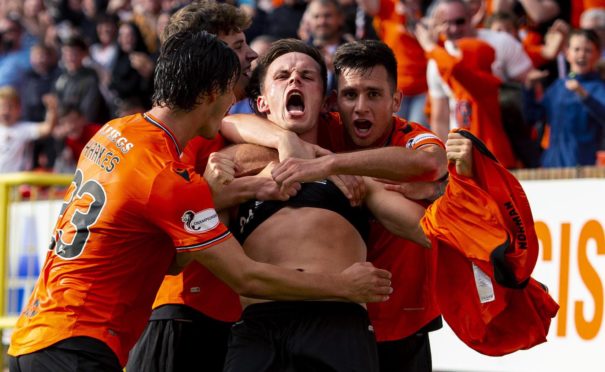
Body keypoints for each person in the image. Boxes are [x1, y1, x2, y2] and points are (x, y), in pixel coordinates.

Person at [7, 30, 392, 372]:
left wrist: (248, 189)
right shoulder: (169, 177)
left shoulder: (115, 131)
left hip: (34, 335)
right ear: (210, 92)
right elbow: (245, 275)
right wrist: (343, 285)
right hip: (79, 344)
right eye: (230, 92)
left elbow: (171, 256)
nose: (232, 105)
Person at [222, 38, 433, 372]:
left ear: (325, 102)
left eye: (307, 76)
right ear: (261, 102)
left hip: (336, 321)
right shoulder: (230, 163)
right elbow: (192, 225)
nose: (295, 80)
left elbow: (430, 229)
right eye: (282, 76)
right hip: (259, 325)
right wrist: (283, 144)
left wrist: (443, 191)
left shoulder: (354, 171)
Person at [127, 2, 263, 371]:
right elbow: (178, 253)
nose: (251, 55)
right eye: (236, 47)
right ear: (205, 58)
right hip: (183, 311)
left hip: (219, 314)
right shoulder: (180, 137)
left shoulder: (222, 122)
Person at [525, 28, 605, 167]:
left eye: (588, 50)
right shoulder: (558, 85)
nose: (582, 54)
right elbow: (534, 116)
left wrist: (584, 95)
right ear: (567, 53)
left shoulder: (599, 87)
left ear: (597, 55)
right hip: (553, 163)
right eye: (577, 49)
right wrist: (528, 90)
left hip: (585, 163)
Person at [0, 86, 57, 173]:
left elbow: (47, 128)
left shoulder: (24, 129)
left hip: (18, 183)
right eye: (3, 106)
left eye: (10, 107)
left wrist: (52, 109)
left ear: (18, 109)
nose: (6, 111)